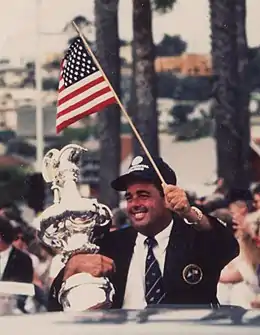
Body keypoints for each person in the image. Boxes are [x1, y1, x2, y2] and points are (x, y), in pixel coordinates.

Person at [48, 155, 239, 311]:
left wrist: (189, 213)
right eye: (129, 197)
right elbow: (55, 302)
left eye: (143, 195)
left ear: (168, 198)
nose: (134, 204)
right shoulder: (110, 244)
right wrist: (71, 268)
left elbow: (228, 247)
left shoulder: (195, 239)